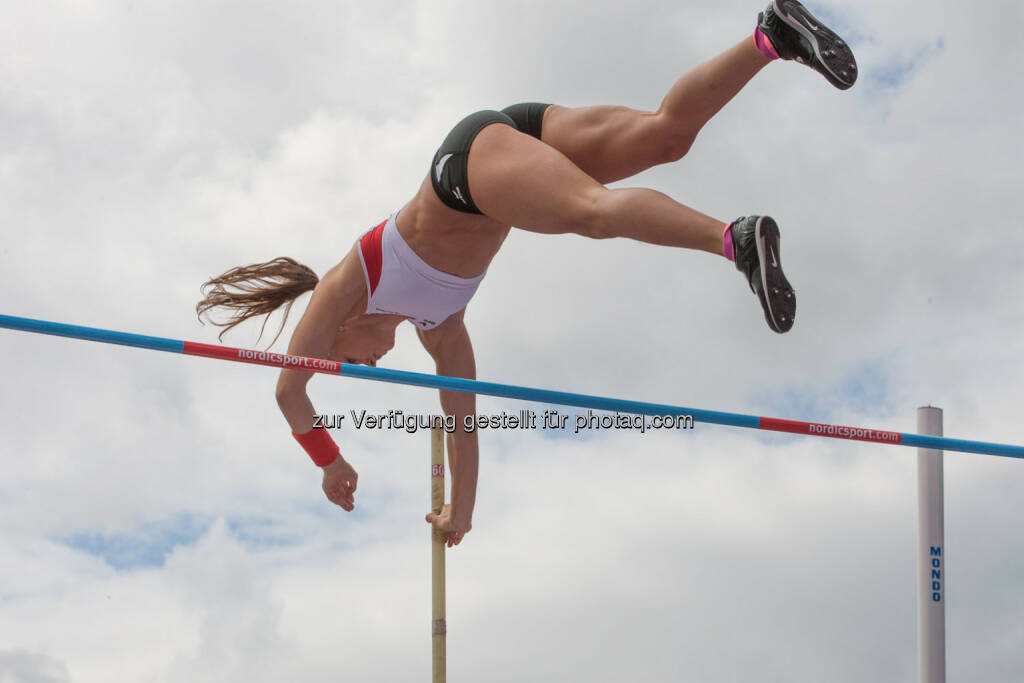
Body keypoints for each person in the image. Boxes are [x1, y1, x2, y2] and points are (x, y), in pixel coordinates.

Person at [196, 1, 858, 547]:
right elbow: (462, 423)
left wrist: (330, 461)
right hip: (512, 136)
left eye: (351, 362)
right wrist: (462, 510)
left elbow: (290, 393)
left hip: (466, 169)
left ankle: (733, 241)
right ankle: (772, 36)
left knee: (592, 214)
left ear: (338, 330)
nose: (366, 368)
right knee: (665, 137)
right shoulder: (442, 329)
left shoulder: (351, 282)